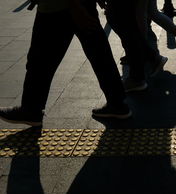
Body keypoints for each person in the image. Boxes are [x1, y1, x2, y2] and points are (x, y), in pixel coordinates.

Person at [0, 0, 132, 127]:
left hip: (59, 6)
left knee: (40, 60)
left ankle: (31, 110)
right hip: (82, 4)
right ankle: (117, 103)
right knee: (99, 53)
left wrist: (74, 5)